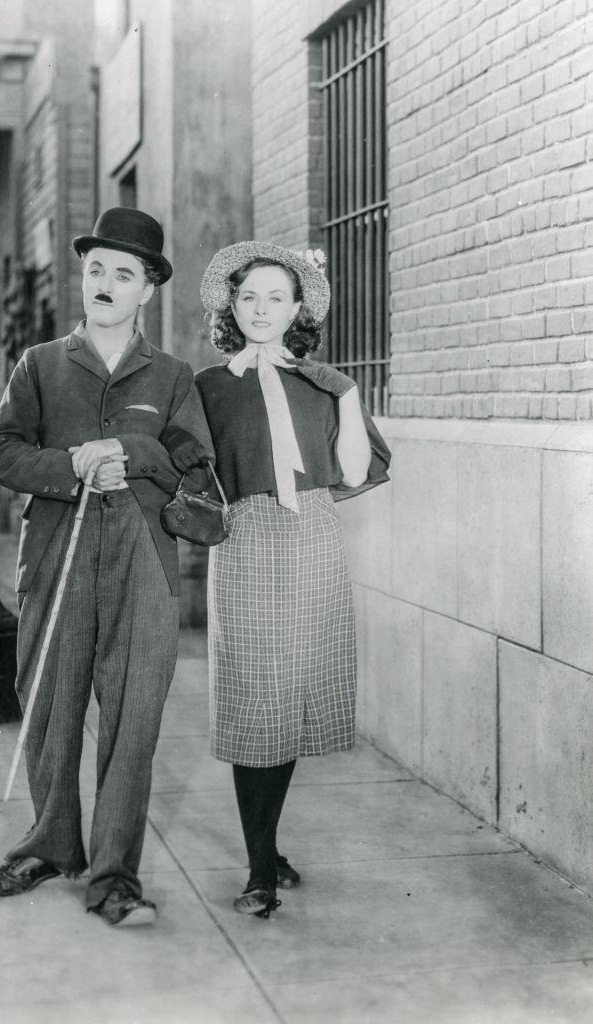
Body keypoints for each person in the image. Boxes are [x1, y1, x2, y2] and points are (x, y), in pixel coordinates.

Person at [0, 208, 213, 927]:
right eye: (97, 268)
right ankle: (50, 844)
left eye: (124, 274)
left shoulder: (169, 376)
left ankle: (114, 876)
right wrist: (71, 464)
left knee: (134, 719)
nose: (106, 282)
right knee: (50, 705)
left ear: (147, 291)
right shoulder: (39, 365)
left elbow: (196, 468)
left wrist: (136, 454)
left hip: (143, 563)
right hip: (56, 554)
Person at [195, 241, 391, 919]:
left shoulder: (323, 383)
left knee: (293, 695)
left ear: (297, 308)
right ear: (231, 304)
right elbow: (192, 475)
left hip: (312, 538)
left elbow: (358, 473)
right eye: (249, 296)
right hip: (245, 541)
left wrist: (348, 393)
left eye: (276, 297)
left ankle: (267, 846)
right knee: (257, 697)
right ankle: (260, 870)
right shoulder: (208, 386)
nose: (261, 308)